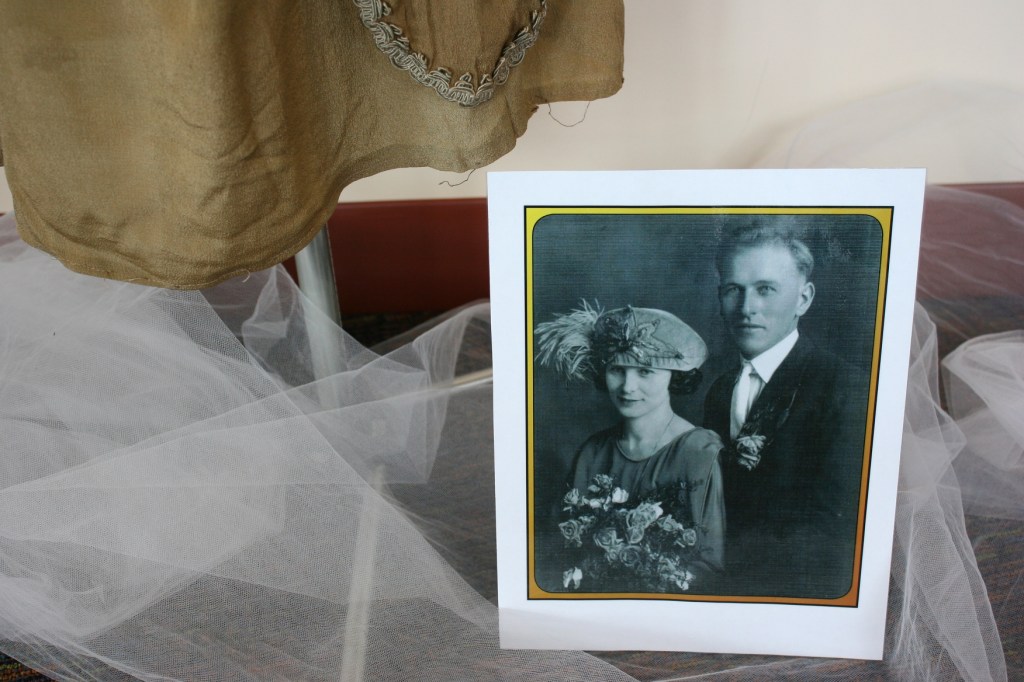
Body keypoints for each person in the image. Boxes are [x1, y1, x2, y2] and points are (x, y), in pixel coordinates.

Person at [703, 222, 869, 599]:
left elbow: (834, 530)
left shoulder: (845, 388)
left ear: (804, 299)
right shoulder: (718, 391)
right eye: (733, 290)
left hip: (800, 589)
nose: (747, 308)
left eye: (766, 289)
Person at [536, 304, 725, 593]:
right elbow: (560, 547)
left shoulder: (698, 452)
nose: (628, 386)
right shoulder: (593, 452)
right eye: (617, 370)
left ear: (673, 375)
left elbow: (709, 564)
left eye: (645, 371)